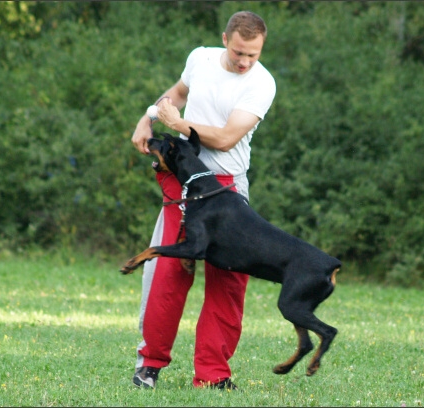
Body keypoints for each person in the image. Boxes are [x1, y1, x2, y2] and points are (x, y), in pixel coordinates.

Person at [130, 10, 276, 390]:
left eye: (253, 55)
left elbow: (227, 138)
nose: (245, 62)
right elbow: (177, 94)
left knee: (229, 281)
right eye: (239, 53)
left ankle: (212, 376)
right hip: (183, 183)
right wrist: (148, 115)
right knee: (168, 272)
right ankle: (149, 365)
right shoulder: (200, 58)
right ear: (225, 39)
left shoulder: (262, 84)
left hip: (227, 188)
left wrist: (178, 126)